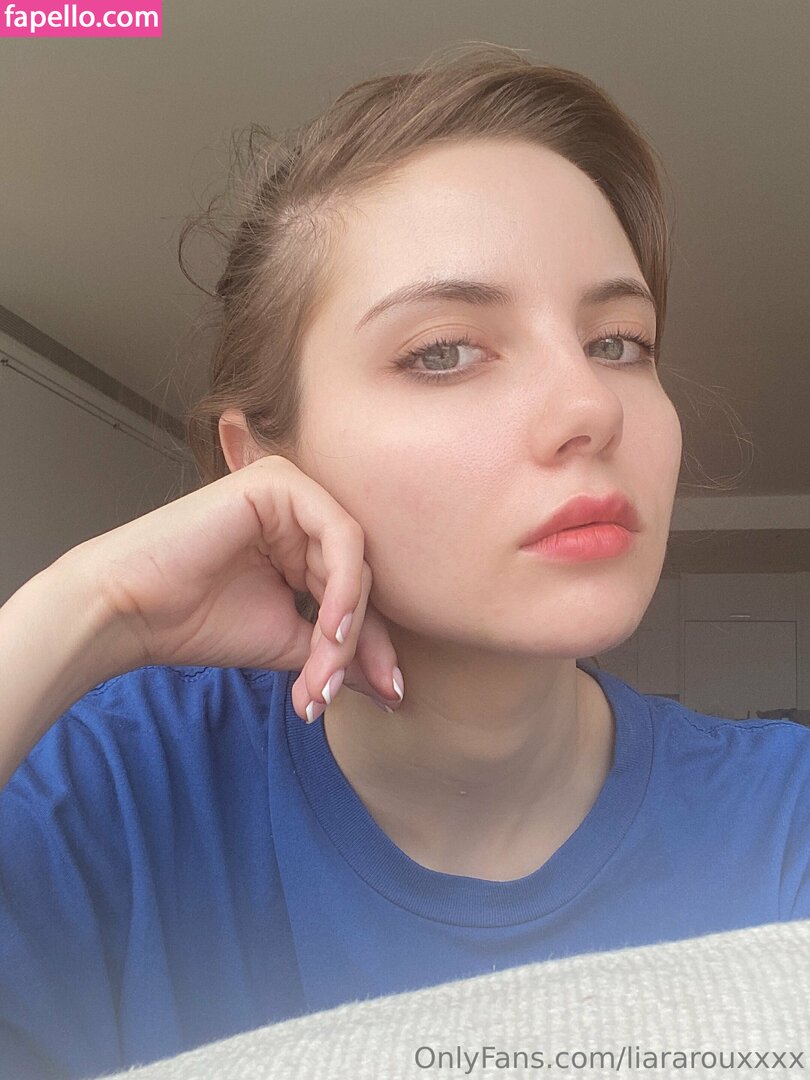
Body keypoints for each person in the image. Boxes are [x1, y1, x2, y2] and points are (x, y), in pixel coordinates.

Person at [1, 40, 808, 1080]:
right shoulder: (105, 791)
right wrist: (86, 607)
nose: (590, 405)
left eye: (617, 342)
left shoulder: (785, 826)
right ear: (263, 467)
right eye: (444, 352)